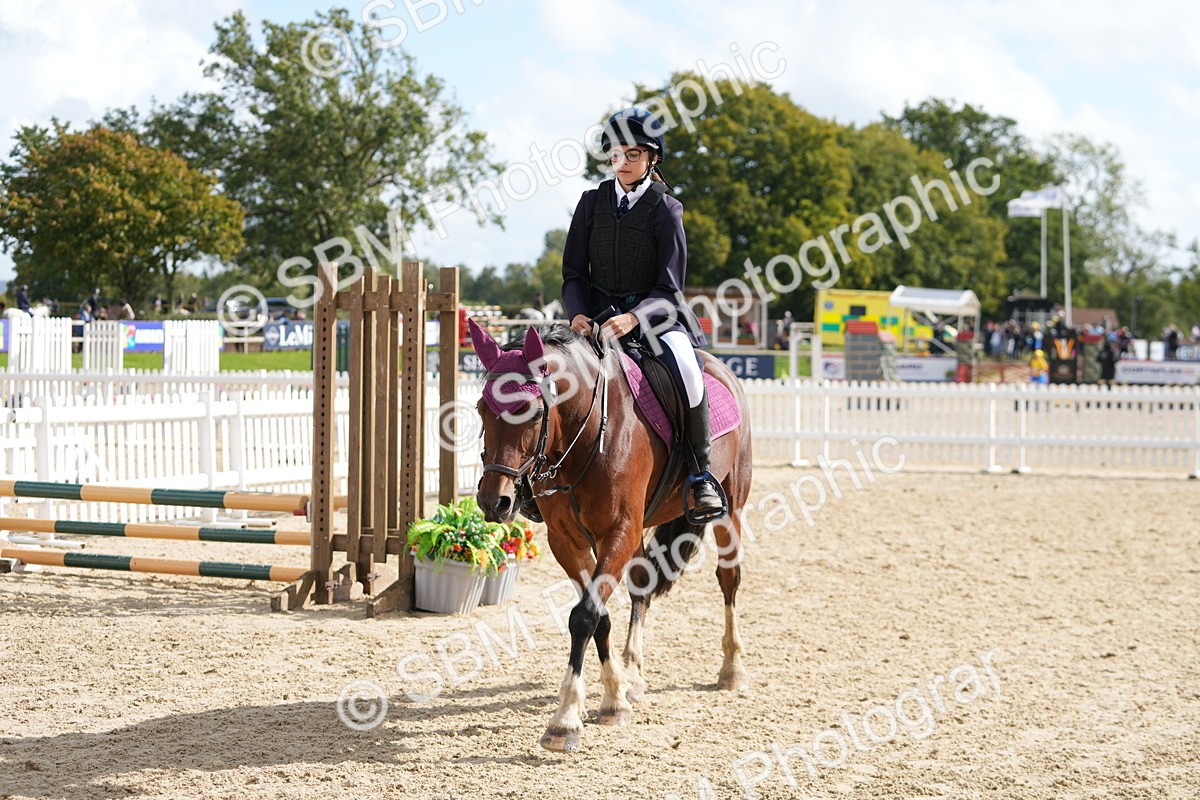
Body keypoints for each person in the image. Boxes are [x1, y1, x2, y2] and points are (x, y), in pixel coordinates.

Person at [562, 106, 725, 522]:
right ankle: (538, 478)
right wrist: (579, 314)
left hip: (655, 320)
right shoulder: (589, 204)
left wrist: (634, 318)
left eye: (634, 153)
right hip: (597, 318)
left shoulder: (667, 209)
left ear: (652, 159)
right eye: (617, 153)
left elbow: (670, 289)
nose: (624, 161)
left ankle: (700, 473)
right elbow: (574, 274)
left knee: (688, 370)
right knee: (552, 368)